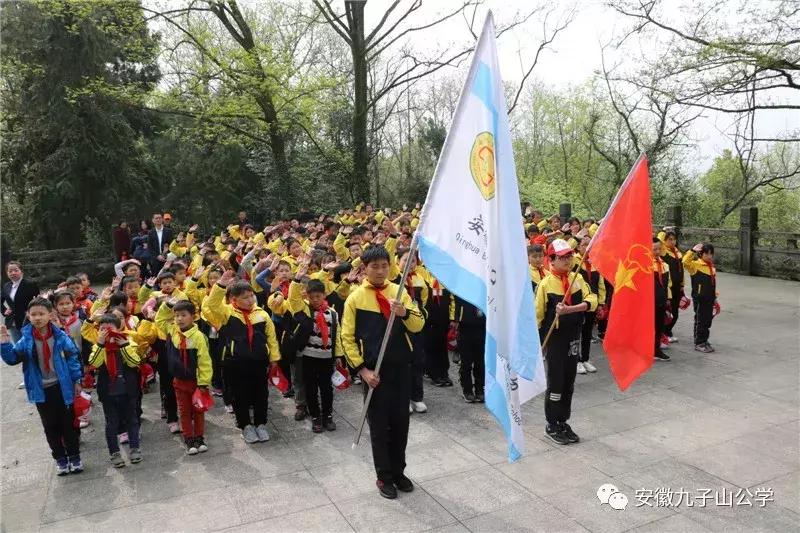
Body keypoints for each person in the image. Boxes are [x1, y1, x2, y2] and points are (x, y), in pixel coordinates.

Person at [341, 245, 425, 499]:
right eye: (374, 266)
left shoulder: (399, 292)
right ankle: (384, 476)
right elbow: (346, 338)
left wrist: (403, 312)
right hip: (374, 375)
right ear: (364, 269)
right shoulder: (355, 298)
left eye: (384, 265)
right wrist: (362, 371)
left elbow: (418, 324)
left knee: (401, 425)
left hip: (400, 368)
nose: (380, 271)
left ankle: (399, 472)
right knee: (379, 427)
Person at [1, 298, 83, 475]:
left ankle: (75, 457)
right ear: (28, 316)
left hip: (62, 387)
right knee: (50, 426)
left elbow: (72, 358)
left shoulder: (61, 337)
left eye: (41, 314)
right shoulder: (26, 340)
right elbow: (12, 359)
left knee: (68, 425)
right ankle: (60, 460)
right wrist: (4, 344)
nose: (37, 318)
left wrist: (77, 380)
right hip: (41, 390)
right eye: (33, 314)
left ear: (50, 315)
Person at [202, 269, 281, 444]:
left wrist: (274, 358)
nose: (250, 300)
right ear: (233, 299)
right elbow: (212, 305)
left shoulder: (261, 313)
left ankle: (260, 423)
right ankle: (245, 425)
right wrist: (220, 285)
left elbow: (272, 338)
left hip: (259, 362)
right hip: (235, 362)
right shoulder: (226, 313)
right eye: (245, 297)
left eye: (251, 296)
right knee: (240, 395)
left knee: (261, 393)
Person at [535, 239, 597, 446]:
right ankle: (551, 423)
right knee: (556, 382)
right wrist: (537, 343)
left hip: (574, 337)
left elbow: (593, 300)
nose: (568, 260)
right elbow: (538, 315)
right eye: (562, 257)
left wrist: (572, 309)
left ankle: (563, 420)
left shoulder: (577, 278)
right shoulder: (546, 284)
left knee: (569, 382)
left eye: (570, 256)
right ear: (551, 259)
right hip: (555, 340)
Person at [156, 299, 212, 454]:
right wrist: (167, 305)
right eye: (176, 315)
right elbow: (159, 319)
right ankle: (189, 438)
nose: (179, 319)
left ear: (193, 317)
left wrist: (203, 383)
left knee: (198, 411)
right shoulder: (173, 330)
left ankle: (200, 437)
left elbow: (204, 361)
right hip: (179, 381)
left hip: (196, 381)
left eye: (183, 315)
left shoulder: (199, 337)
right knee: (184, 411)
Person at [290, 273, 342, 433]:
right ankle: (315, 417)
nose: (315, 300)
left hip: (326, 358)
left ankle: (328, 416)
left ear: (324, 295)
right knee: (310, 389)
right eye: (312, 297)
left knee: (327, 389)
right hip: (308, 357)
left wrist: (338, 356)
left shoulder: (332, 313)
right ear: (307, 296)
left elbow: (337, 336)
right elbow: (293, 299)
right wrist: (296, 280)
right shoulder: (305, 310)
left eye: (318, 296)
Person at [88, 313, 142, 467]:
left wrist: (124, 345)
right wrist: (99, 344)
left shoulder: (129, 343)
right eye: (102, 329)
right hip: (108, 392)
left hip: (127, 390)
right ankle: (114, 452)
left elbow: (134, 363)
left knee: (132, 420)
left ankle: (135, 448)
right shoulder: (99, 346)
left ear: (118, 329)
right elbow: (94, 363)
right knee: (111, 423)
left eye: (110, 329)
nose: (106, 332)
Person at [575, 236, 605, 374]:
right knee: (576, 333)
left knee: (587, 332)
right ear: (578, 247)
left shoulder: (595, 263)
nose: (587, 247)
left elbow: (600, 285)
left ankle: (585, 358)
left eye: (590, 245)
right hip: (577, 304)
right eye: (584, 244)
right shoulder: (573, 261)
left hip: (592, 304)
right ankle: (576, 360)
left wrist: (601, 302)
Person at [683, 243, 717, 353]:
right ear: (701, 254)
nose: (709, 256)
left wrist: (714, 297)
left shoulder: (711, 267)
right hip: (700, 298)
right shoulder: (695, 265)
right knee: (700, 320)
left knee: (707, 320)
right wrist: (692, 251)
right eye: (707, 254)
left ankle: (704, 340)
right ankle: (699, 342)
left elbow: (712, 284)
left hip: (709, 298)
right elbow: (684, 262)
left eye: (711, 254)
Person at [453, 296, 485, 403]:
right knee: (466, 362)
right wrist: (455, 319)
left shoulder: (484, 286)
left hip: (482, 328)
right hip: (465, 327)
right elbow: (456, 302)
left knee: (480, 362)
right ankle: (467, 391)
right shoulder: (463, 286)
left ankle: (480, 390)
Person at [2, 261, 40, 344]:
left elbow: (38, 301)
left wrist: (31, 312)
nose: (13, 273)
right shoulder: (6, 286)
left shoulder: (30, 284)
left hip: (28, 321)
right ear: (7, 273)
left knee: (31, 346)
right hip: (13, 322)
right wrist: (4, 310)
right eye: (10, 271)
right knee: (18, 348)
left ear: (21, 271)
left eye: (16, 270)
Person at [660, 230, 684, 342]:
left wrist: (682, 285)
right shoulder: (664, 251)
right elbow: (658, 241)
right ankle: (664, 333)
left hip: (677, 286)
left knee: (675, 312)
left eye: (674, 239)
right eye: (669, 239)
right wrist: (663, 231)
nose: (673, 241)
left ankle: (668, 332)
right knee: (667, 311)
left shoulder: (677, 253)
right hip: (668, 286)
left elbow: (681, 270)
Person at [652, 237, 672, 361]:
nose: (657, 251)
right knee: (648, 328)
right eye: (654, 249)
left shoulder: (664, 265)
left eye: (659, 248)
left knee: (659, 326)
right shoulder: (644, 265)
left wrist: (668, 298)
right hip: (648, 302)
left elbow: (667, 284)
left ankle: (656, 350)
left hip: (661, 301)